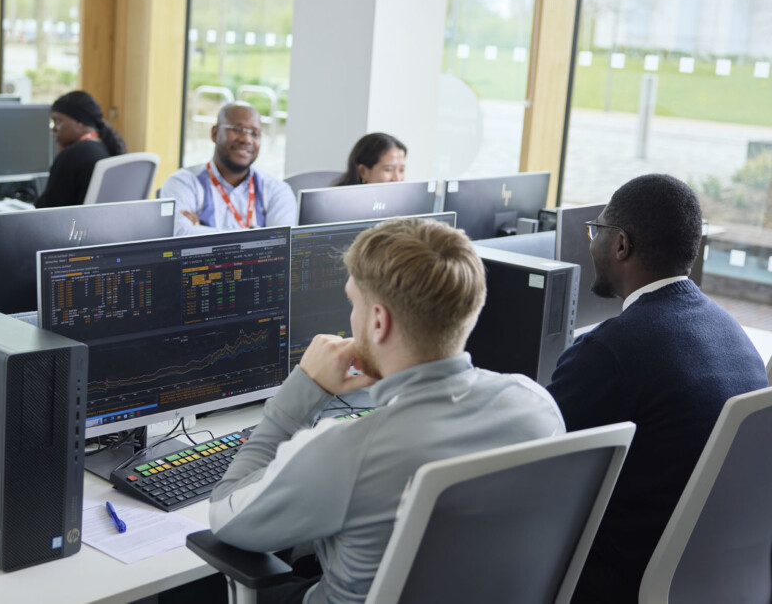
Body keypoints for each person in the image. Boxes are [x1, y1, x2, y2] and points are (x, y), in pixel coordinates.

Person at [209, 217, 564, 604]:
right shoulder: (536, 405)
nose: (351, 320)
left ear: (378, 321)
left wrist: (300, 394)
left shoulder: (347, 451)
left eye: (353, 304)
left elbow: (226, 518)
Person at [546, 174, 768, 604]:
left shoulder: (607, 353)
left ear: (621, 245)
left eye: (597, 231)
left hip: (622, 579)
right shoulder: (732, 330)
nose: (592, 243)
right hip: (717, 577)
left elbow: (537, 474)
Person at [160, 102, 296, 236]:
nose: (246, 139)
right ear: (214, 133)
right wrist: (257, 236)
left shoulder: (276, 191)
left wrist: (199, 230)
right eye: (237, 130)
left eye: (254, 133)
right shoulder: (182, 183)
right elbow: (180, 233)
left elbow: (282, 242)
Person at [35, 90, 127, 208]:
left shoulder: (71, 156)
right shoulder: (107, 147)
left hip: (74, 225)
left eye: (58, 121)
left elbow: (45, 210)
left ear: (79, 122)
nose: (53, 129)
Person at [334, 132, 406, 186]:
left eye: (401, 170)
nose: (397, 179)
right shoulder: (340, 202)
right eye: (388, 169)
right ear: (363, 171)